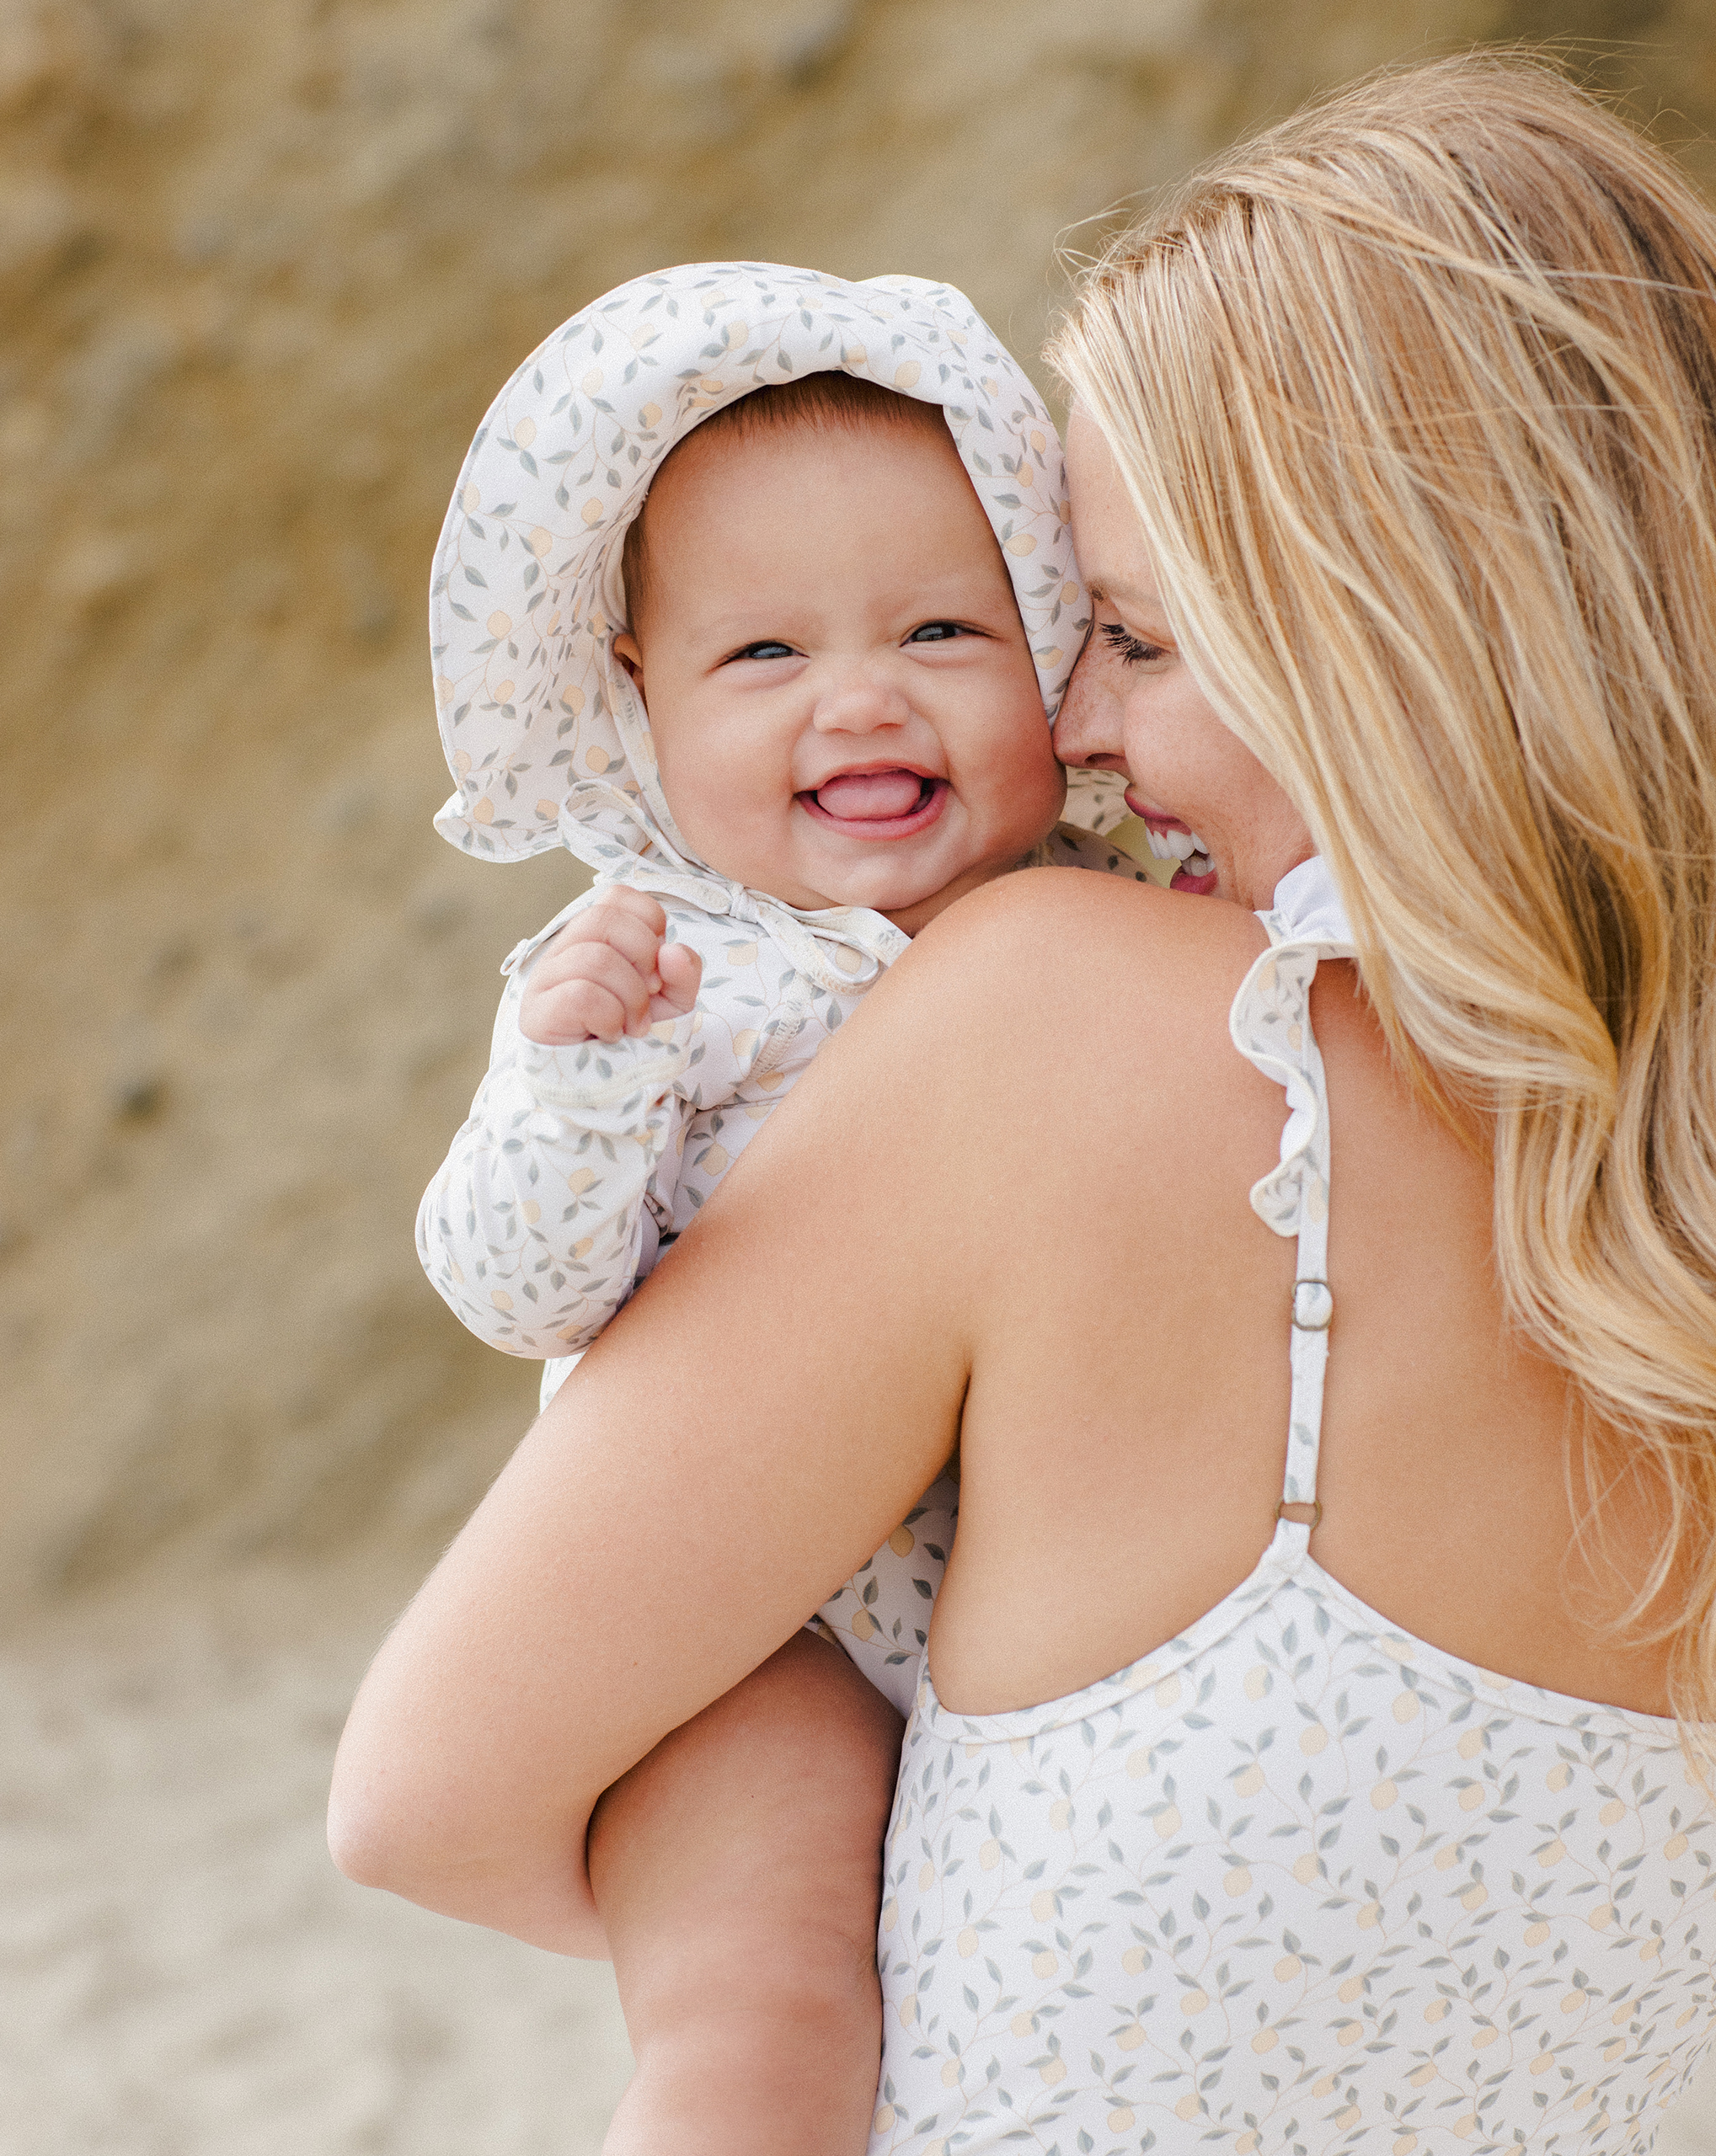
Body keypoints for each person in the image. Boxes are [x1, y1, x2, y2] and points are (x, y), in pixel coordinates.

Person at [331, 53, 1716, 2153]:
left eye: (1135, 636)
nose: (1067, 720)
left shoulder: (1056, 1020)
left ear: (1391, 646)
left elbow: (424, 1788)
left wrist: (799, 1899)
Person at [409, 259, 1147, 2150]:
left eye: (941, 630)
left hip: (1034, 1598)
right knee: (767, 2007)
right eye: (764, 655)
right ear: (634, 698)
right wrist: (579, 1081)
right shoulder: (657, 974)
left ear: (1050, 640)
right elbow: (514, 1283)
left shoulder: (1113, 919)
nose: (860, 697)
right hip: (751, 1632)